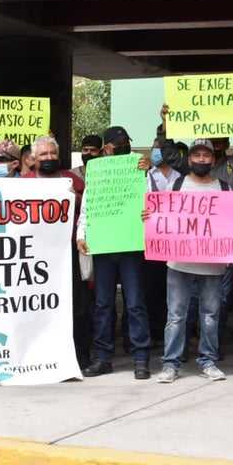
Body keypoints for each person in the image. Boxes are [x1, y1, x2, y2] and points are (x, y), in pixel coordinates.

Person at [152, 138, 233, 383]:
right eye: (197, 156)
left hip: (213, 265)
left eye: (206, 155)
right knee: (176, 315)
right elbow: (161, 216)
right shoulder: (177, 185)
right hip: (178, 263)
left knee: (210, 315)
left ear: (213, 160)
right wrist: (150, 216)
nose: (201, 160)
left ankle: (208, 361)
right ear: (189, 159)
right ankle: (170, 364)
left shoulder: (225, 189)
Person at [76, 126, 152, 379]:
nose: (122, 146)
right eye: (117, 142)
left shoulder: (140, 169)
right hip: (104, 246)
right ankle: (103, 357)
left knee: (135, 303)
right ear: (107, 147)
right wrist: (81, 234)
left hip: (131, 244)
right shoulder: (96, 172)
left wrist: (148, 199)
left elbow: (153, 199)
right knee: (103, 304)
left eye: (125, 142)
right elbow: (87, 206)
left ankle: (141, 357)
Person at [22, 135, 89, 368]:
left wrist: (76, 198)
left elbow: (89, 209)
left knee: (77, 306)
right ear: (33, 159)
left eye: (53, 153)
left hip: (68, 250)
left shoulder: (72, 179)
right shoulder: (24, 182)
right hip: (36, 254)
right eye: (43, 154)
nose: (49, 158)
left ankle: (80, 355)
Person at [143, 137, 181, 346]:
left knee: (174, 288)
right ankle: (154, 329)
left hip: (175, 241)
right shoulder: (145, 174)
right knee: (152, 287)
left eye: (160, 148)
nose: (156, 151)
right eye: (154, 147)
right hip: (153, 240)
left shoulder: (180, 177)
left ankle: (171, 332)